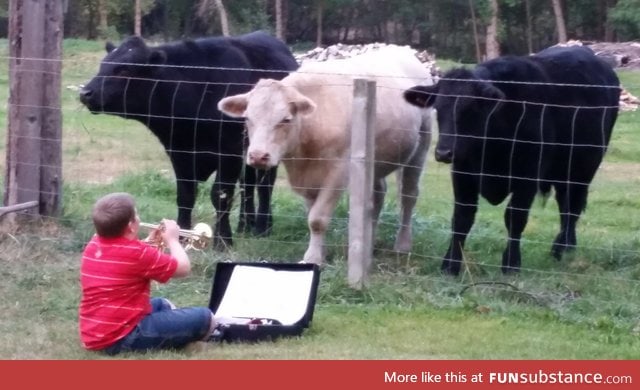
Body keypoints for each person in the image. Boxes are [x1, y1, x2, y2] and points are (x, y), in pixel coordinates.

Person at [78, 192, 217, 354]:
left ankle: (174, 334)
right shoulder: (138, 253)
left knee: (162, 304)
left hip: (94, 333)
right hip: (123, 337)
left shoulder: (94, 244)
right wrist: (173, 240)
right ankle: (183, 338)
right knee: (206, 317)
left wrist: (150, 245)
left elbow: (125, 261)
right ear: (131, 225)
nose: (139, 218)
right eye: (136, 214)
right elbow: (183, 268)